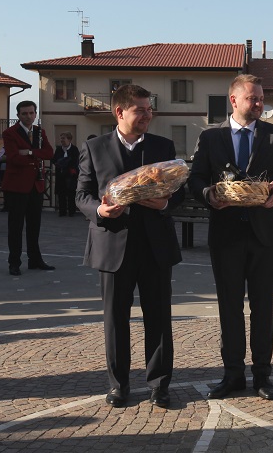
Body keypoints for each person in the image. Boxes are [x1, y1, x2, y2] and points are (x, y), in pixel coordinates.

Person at [188, 74, 273, 402]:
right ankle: (232, 374)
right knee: (229, 308)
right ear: (234, 100)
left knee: (263, 308)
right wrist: (208, 194)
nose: (260, 104)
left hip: (266, 236)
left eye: (262, 98)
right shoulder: (210, 138)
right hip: (226, 235)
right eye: (254, 99)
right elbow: (195, 179)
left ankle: (263, 375)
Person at [76, 84, 183, 409]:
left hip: (155, 246)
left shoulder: (164, 146)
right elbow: (81, 195)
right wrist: (99, 211)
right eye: (141, 110)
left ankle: (159, 385)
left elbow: (178, 191)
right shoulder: (94, 147)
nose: (148, 115)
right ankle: (118, 385)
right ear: (119, 112)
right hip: (112, 245)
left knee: (159, 319)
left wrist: (164, 204)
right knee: (115, 320)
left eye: (149, 109)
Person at [1, 101, 55, 275]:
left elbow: (49, 153)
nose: (29, 116)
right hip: (17, 186)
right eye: (24, 113)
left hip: (36, 185)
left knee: (34, 226)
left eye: (31, 113)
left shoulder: (40, 132)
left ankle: (35, 259)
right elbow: (14, 157)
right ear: (18, 115)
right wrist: (34, 155)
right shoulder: (10, 133)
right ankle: (14, 262)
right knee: (15, 227)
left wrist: (30, 152)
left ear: (35, 113)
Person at [53, 132, 80, 217]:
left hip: (70, 176)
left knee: (71, 194)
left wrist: (67, 163)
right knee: (61, 194)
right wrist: (59, 163)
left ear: (69, 139)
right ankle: (62, 211)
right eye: (61, 138)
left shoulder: (74, 149)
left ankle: (72, 211)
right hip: (60, 175)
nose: (62, 140)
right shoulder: (58, 149)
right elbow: (53, 159)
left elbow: (76, 161)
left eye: (63, 138)